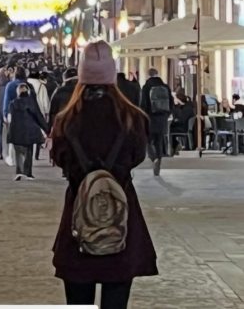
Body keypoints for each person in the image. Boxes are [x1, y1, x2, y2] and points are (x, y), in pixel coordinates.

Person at [51, 41, 157, 308]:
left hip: (80, 214)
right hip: (120, 215)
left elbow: (60, 159)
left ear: (82, 73)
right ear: (112, 73)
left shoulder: (66, 120)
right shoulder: (133, 117)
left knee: (78, 301)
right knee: (116, 299)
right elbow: (137, 157)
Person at [7, 83, 48, 180]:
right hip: (29, 130)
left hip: (16, 130)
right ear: (28, 91)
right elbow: (38, 117)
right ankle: (28, 172)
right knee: (28, 151)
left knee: (18, 152)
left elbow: (10, 118)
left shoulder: (13, 103)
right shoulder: (32, 103)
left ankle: (19, 171)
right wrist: (47, 129)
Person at [141, 67, 173, 175]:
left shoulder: (146, 87)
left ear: (148, 75)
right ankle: (159, 158)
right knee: (159, 140)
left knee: (149, 140)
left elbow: (143, 104)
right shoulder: (165, 86)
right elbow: (171, 103)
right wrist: (166, 114)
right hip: (162, 118)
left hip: (150, 117)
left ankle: (153, 157)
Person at [27, 70, 50, 160]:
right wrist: (47, 111)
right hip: (40, 110)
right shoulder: (41, 86)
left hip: (28, 110)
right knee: (39, 132)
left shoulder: (25, 84)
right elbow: (45, 101)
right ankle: (36, 154)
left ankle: (29, 152)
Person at [49, 67, 78, 133]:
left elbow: (53, 111)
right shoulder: (84, 91)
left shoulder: (59, 91)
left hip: (62, 126)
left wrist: (50, 129)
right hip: (80, 127)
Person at [170, 89, 195, 153]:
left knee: (168, 131)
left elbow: (181, 120)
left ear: (178, 100)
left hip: (183, 127)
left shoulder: (185, 109)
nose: (174, 100)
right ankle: (175, 145)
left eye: (175, 99)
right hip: (185, 126)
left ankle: (173, 146)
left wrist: (174, 121)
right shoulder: (188, 107)